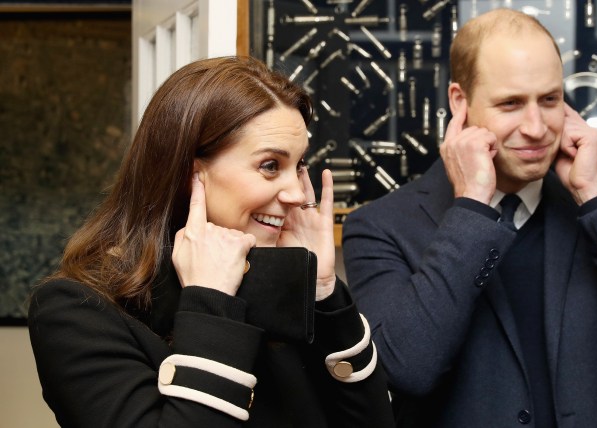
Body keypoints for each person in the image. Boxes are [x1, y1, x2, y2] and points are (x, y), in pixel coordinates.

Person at [342, 8, 597, 428]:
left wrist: (593, 194)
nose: (537, 128)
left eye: (550, 100)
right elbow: (405, 371)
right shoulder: (380, 227)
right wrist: (473, 209)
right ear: (460, 102)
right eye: (511, 103)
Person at [28, 56, 394, 428]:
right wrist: (211, 302)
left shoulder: (277, 288)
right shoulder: (75, 310)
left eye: (298, 166)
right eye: (270, 166)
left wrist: (324, 293)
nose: (297, 193)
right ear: (191, 174)